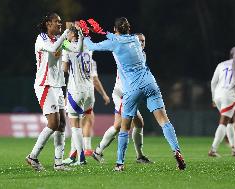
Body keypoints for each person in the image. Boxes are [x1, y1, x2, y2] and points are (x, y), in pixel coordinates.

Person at [84, 17, 186, 171]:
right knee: (164, 120)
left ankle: (119, 163)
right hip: (150, 83)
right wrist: (103, 32)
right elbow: (118, 37)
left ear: (116, 29)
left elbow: (92, 46)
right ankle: (176, 150)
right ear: (129, 29)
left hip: (132, 88)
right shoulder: (135, 40)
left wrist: (85, 34)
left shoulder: (115, 42)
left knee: (124, 128)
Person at [92, 33, 152, 164]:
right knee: (120, 125)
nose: (141, 43)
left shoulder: (142, 55)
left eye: (143, 41)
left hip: (129, 95)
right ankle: (98, 150)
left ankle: (139, 156)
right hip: (122, 94)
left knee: (139, 123)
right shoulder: (129, 53)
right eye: (139, 41)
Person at [26, 12, 70, 171]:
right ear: (48, 24)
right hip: (45, 84)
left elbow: (73, 48)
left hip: (57, 85)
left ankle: (58, 163)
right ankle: (33, 156)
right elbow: (52, 48)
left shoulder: (59, 41)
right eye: (57, 22)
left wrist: (77, 35)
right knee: (53, 123)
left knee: (62, 124)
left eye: (61, 22)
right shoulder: (42, 39)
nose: (60, 24)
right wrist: (66, 33)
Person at [61, 26, 110, 165]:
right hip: (89, 92)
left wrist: (65, 42)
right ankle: (72, 155)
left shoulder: (67, 46)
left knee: (75, 125)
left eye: (69, 32)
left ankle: (80, 158)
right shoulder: (89, 47)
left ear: (72, 35)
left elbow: (64, 69)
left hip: (76, 90)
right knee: (84, 120)